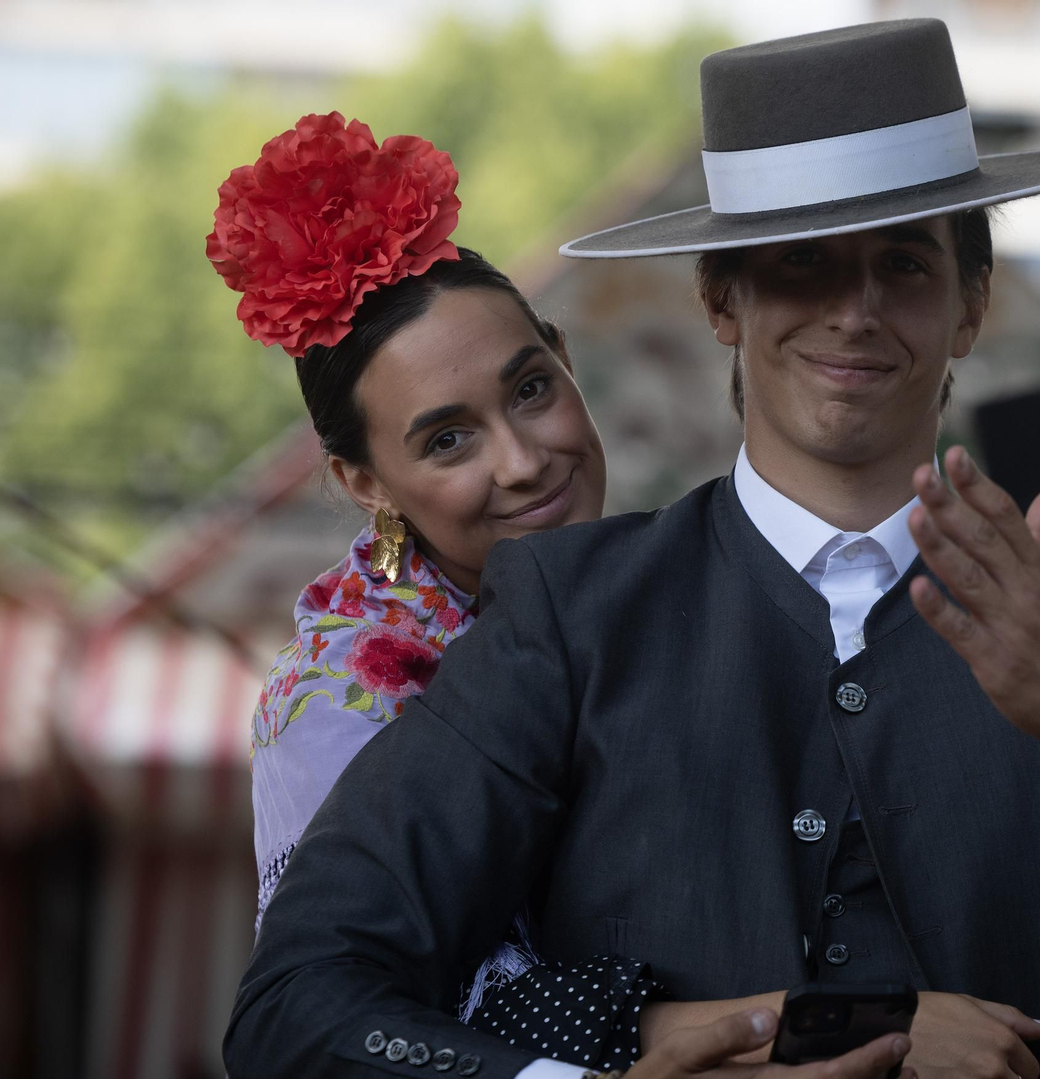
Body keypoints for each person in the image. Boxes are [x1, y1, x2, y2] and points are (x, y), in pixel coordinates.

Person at [228, 20, 1040, 1079]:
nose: (856, 309)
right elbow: (298, 1005)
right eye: (805, 261)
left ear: (970, 306)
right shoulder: (566, 612)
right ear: (720, 295)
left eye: (904, 264)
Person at [214, 112, 911, 1079]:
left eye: (531, 390)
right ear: (366, 482)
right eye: (447, 440)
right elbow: (355, 1005)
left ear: (567, 357)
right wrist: (723, 1022)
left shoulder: (668, 580)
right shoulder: (343, 695)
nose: (525, 461)